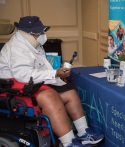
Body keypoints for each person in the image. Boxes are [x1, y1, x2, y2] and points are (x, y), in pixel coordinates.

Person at [0, 16, 104, 147]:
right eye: (40, 32)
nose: (43, 34)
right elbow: (23, 75)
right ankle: (69, 143)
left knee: (69, 91)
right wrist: (54, 73)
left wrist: (57, 76)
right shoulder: (17, 47)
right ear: (30, 33)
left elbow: (42, 68)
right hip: (12, 88)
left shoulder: (33, 44)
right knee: (50, 96)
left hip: (29, 85)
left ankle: (84, 133)